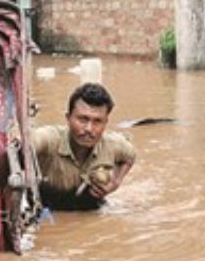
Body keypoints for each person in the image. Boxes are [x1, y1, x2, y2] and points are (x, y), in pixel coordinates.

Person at [33, 82, 137, 211]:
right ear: (68, 118)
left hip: (91, 209)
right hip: (48, 208)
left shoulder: (113, 145)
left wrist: (115, 183)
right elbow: (27, 144)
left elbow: (130, 155)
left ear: (105, 123)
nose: (89, 129)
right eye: (83, 119)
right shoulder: (50, 140)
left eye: (97, 121)